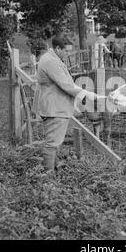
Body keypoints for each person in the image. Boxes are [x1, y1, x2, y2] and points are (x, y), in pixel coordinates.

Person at [34, 34, 100, 172]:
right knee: (52, 143)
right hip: (55, 107)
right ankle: (48, 176)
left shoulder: (51, 58)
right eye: (66, 51)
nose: (68, 54)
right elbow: (67, 85)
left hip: (55, 106)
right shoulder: (51, 62)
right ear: (58, 48)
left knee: (54, 141)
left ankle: (54, 168)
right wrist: (88, 94)